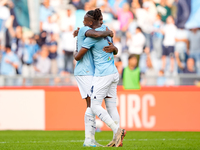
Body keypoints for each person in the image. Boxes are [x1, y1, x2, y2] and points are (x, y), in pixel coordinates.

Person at [74, 9, 126, 147]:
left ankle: (116, 132)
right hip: (113, 72)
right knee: (110, 107)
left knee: (94, 106)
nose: (83, 23)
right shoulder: (107, 30)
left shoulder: (92, 36)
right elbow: (114, 49)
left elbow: (78, 56)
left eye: (85, 21)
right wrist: (113, 45)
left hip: (100, 74)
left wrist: (75, 51)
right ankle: (114, 139)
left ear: (91, 22)